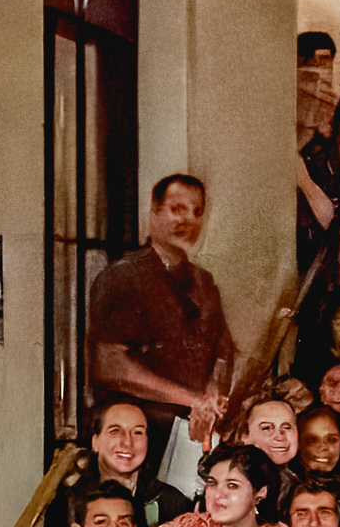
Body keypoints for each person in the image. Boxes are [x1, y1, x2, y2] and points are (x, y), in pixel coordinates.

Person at [85, 168, 238, 436]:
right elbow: (110, 365)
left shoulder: (205, 284)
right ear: (154, 213)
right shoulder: (121, 277)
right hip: (135, 435)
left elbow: (223, 354)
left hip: (189, 432)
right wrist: (190, 400)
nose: (187, 220)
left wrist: (212, 396)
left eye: (196, 211)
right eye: (176, 209)